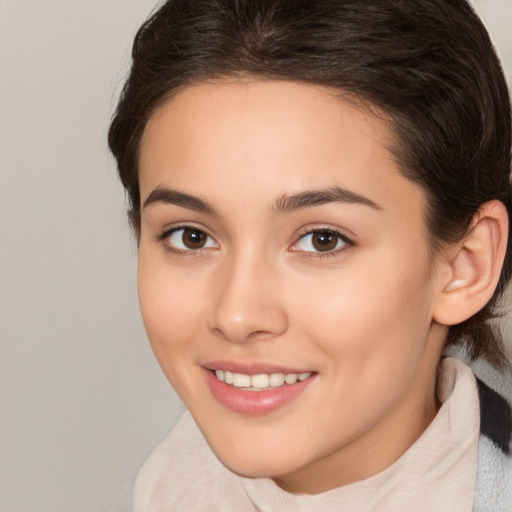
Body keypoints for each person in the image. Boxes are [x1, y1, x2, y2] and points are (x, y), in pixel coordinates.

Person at [108, 0, 512, 509]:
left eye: (323, 239)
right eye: (191, 236)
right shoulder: (172, 480)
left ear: (464, 265)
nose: (237, 315)